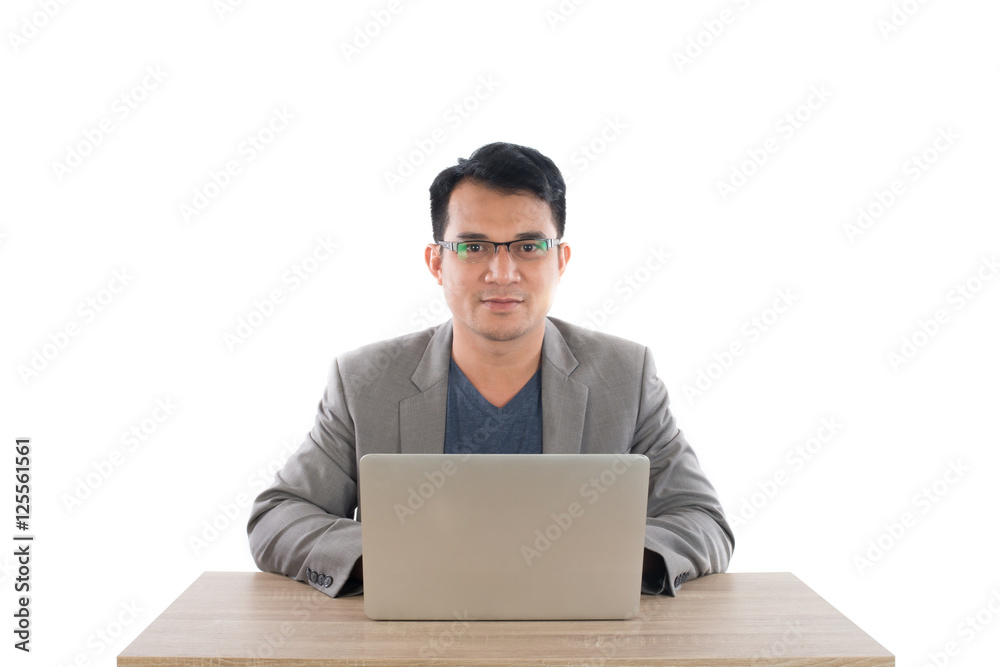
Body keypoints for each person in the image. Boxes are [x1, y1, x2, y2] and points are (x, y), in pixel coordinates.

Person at [247, 142, 734, 597]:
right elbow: (278, 516)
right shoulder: (364, 381)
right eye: (474, 247)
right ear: (437, 263)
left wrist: (601, 561)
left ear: (560, 260)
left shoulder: (626, 376)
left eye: (528, 246)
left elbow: (701, 520)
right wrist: (391, 559)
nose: (502, 273)